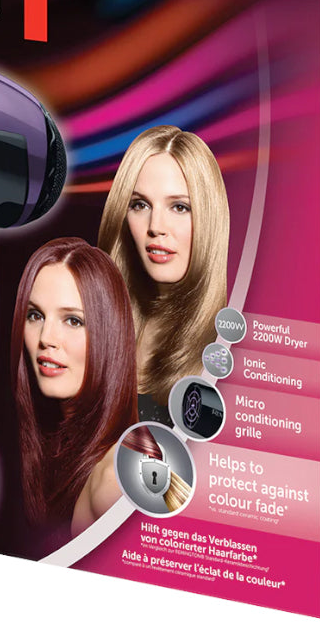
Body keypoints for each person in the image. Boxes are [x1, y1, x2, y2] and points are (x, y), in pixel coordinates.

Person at [98, 125, 229, 424]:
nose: (156, 226)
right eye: (140, 205)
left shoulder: (225, 354)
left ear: (209, 219)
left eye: (179, 207)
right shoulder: (97, 331)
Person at [11, 237, 137, 540]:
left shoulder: (113, 479)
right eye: (35, 315)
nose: (46, 338)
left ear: (109, 334)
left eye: (72, 320)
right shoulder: (57, 454)